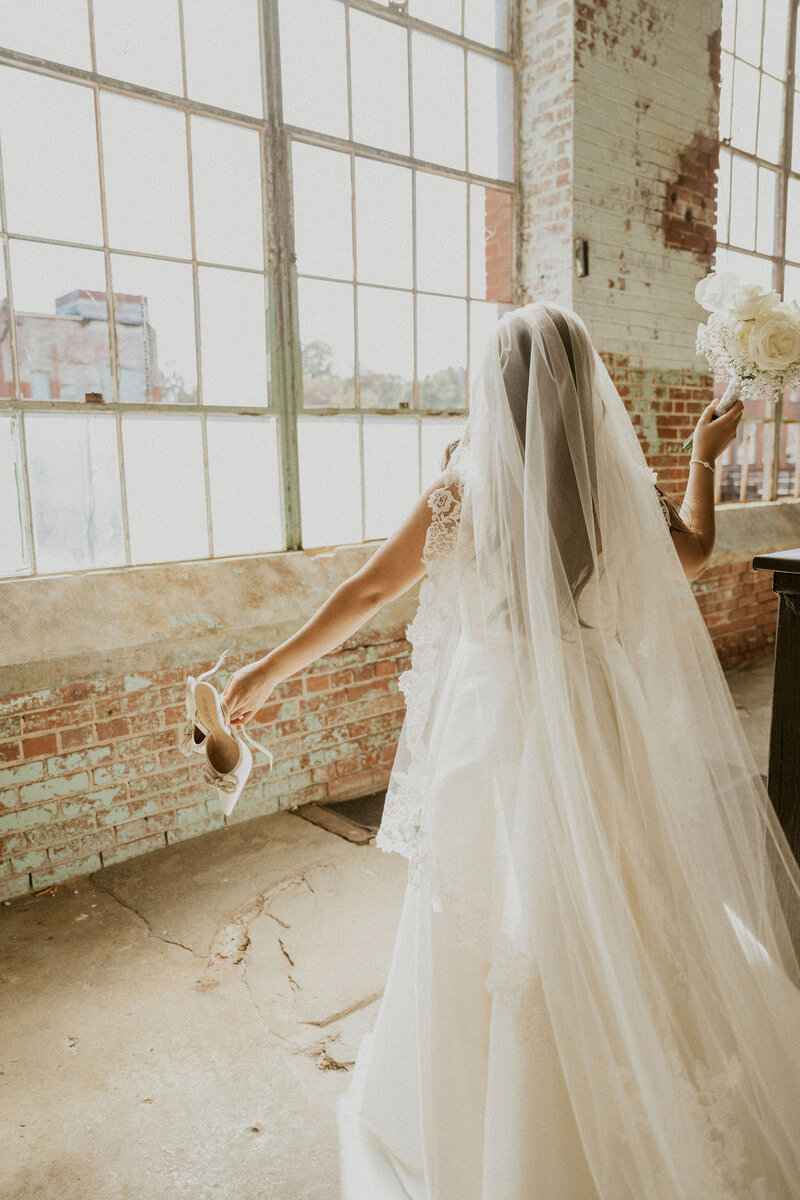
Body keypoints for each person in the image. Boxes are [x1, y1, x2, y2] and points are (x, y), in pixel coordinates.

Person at [223, 302, 800, 1199]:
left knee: (492, 915)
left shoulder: (465, 486)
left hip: (495, 722)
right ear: (583, 386)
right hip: (595, 713)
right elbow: (691, 556)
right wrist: (702, 460)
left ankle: (499, 1126)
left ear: (497, 390)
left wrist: (265, 669)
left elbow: (368, 589)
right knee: (619, 892)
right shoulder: (611, 482)